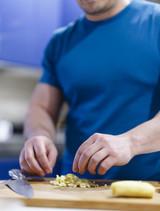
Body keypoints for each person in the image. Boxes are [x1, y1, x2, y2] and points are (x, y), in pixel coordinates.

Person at [19, 0, 160, 180]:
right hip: (76, 185)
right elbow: (41, 108)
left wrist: (131, 142)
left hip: (150, 187)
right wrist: (40, 136)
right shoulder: (61, 41)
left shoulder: (155, 21)